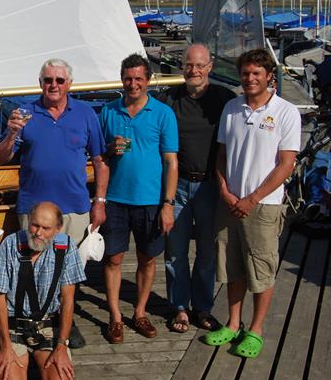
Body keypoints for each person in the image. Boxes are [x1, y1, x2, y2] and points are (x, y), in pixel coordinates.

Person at [0, 58, 109, 348]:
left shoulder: (84, 114)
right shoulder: (25, 114)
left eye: (59, 80)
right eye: (48, 80)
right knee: (32, 268)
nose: (53, 85)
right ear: (40, 83)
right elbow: (1, 158)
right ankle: (33, 321)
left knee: (68, 271)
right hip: (33, 208)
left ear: (69, 83)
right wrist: (11, 134)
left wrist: (100, 201)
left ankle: (64, 323)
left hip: (74, 206)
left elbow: (100, 160)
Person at [203, 49, 300, 359]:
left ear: (269, 76)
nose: (250, 78)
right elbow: (221, 155)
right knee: (232, 266)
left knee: (261, 268)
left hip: (263, 206)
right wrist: (224, 190)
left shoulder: (286, 112)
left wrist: (251, 198)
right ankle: (233, 323)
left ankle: (255, 330)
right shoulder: (232, 108)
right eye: (245, 73)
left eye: (257, 73)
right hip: (230, 202)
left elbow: (286, 164)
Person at [98, 54, 178, 343]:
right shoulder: (108, 111)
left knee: (147, 258)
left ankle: (140, 312)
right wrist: (109, 148)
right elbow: (99, 157)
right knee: (113, 258)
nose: (133, 84)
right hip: (116, 199)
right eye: (128, 78)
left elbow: (171, 162)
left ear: (148, 81)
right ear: (122, 79)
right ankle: (115, 316)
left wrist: (167, 205)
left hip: (150, 201)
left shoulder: (162, 113)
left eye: (139, 79)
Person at [157, 44, 235, 333]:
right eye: (189, 65)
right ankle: (179, 308)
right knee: (174, 252)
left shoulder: (224, 99)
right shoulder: (168, 99)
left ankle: (202, 307)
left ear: (210, 67)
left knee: (206, 252)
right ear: (182, 66)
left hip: (210, 186)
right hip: (176, 187)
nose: (194, 71)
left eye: (200, 65)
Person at [0, 202, 85, 380]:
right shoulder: (10, 244)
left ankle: (36, 358)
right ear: (28, 222)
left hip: (47, 324)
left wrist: (61, 346)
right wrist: (5, 346)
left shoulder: (66, 247)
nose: (38, 233)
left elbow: (68, 300)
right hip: (13, 324)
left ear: (57, 229)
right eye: (34, 225)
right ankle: (17, 356)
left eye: (46, 228)